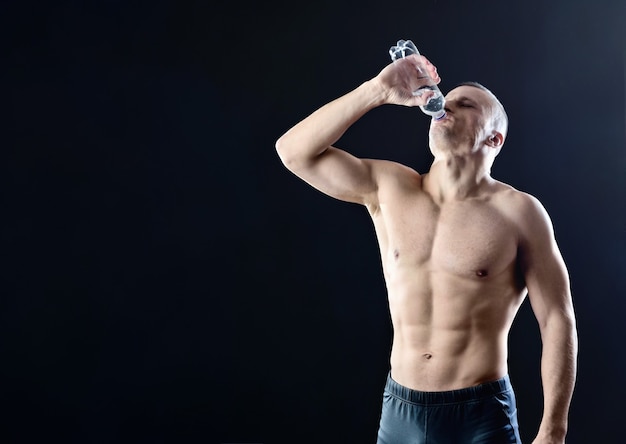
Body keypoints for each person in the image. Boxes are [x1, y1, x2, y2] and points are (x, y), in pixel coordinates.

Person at [275, 50, 578, 444]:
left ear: (494, 137)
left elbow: (558, 319)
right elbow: (293, 152)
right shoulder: (389, 187)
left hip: (481, 416)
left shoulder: (520, 212)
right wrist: (378, 90)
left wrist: (553, 430)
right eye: (444, 100)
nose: (443, 105)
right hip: (400, 409)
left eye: (463, 104)